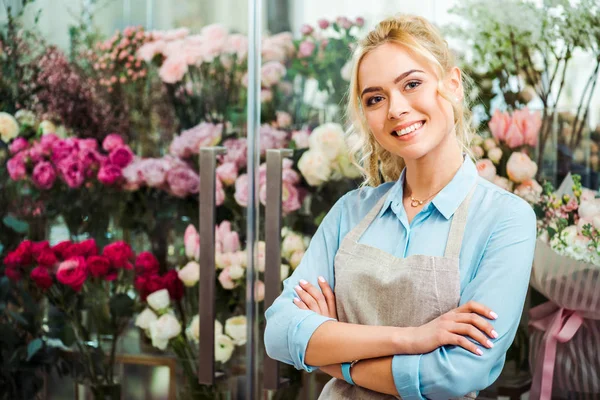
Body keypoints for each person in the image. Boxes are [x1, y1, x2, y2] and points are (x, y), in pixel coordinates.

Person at [264, 14, 536, 400]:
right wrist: (413, 338)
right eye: (375, 98)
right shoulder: (350, 212)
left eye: (412, 84)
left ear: (453, 86)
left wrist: (331, 349)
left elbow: (456, 372)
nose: (395, 109)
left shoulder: (505, 219)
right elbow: (278, 332)